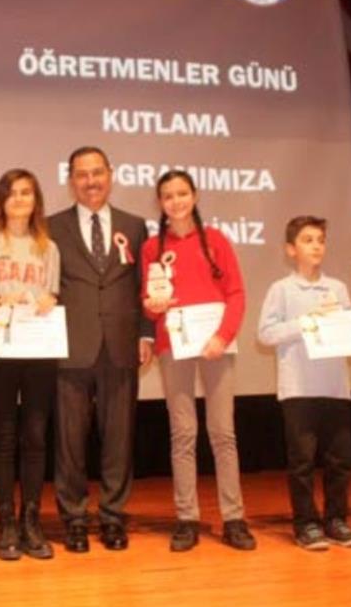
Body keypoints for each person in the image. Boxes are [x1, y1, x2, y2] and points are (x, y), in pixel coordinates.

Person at [140, 171, 255, 552]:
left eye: (182, 193)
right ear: (160, 202)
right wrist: (153, 306)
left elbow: (236, 293)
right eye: (168, 196)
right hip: (173, 345)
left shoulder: (217, 239)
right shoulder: (151, 248)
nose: (176, 201)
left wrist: (223, 335)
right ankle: (186, 517)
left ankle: (234, 518)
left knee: (223, 432)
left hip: (216, 345)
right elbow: (148, 304)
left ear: (195, 195)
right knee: (183, 433)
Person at [47, 146, 152, 552]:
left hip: (121, 345)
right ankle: (73, 518)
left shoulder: (135, 226)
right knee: (69, 441)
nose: (90, 181)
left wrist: (146, 334)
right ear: (71, 180)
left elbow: (145, 285)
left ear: (111, 174)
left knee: (119, 438)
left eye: (97, 172)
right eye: (81, 174)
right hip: (69, 347)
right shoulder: (51, 227)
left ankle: (112, 516)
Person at [0, 169, 60, 561]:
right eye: (12, 193)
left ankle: (31, 520)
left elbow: (52, 294)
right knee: (3, 434)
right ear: (1, 199)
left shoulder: (48, 247)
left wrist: (51, 300)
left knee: (35, 435)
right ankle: (5, 521)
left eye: (27, 192)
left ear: (36, 200)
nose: (19, 199)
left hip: (38, 341)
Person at [258, 216, 351, 551]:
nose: (316, 246)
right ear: (291, 250)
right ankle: (306, 523)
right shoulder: (282, 290)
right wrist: (306, 322)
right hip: (299, 388)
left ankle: (336, 519)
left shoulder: (337, 289)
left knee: (339, 460)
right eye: (307, 240)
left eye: (320, 240)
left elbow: (350, 329)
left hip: (335, 386)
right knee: (302, 461)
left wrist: (349, 328)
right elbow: (265, 333)